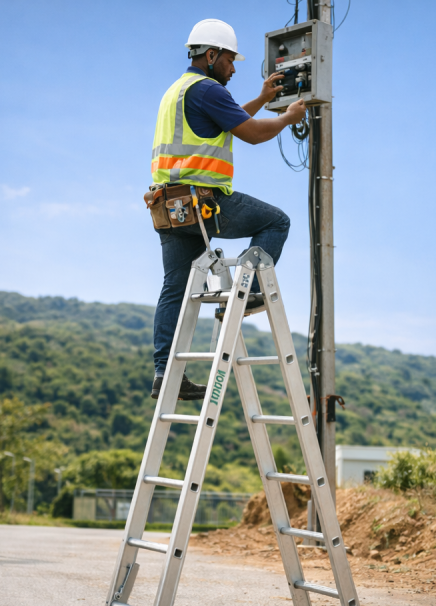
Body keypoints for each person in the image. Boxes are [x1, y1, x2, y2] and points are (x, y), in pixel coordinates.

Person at [150, 19, 307, 400]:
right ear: (212, 55)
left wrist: (262, 99)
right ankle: (248, 292)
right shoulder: (208, 90)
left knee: (174, 288)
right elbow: (250, 133)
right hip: (205, 203)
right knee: (277, 222)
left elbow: (228, 122)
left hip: (170, 207)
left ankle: (164, 374)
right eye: (230, 60)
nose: (233, 68)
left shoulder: (178, 90)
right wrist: (287, 118)